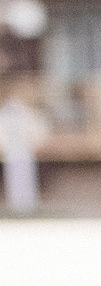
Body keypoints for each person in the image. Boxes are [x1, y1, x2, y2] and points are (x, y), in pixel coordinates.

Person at [0, 87, 47, 215]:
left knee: (26, 177)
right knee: (14, 177)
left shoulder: (25, 113)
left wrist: (32, 141)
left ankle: (28, 205)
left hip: (24, 148)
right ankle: (16, 205)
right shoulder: (5, 114)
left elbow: (36, 130)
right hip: (12, 149)